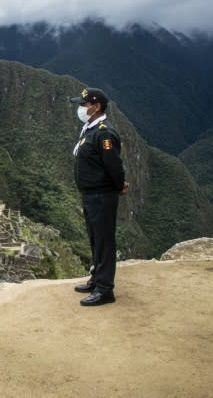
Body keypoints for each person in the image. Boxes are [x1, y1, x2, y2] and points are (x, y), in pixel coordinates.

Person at [70, 87, 129, 306]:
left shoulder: (104, 133)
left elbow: (114, 165)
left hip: (102, 195)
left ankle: (105, 290)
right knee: (95, 238)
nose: (81, 108)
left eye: (84, 105)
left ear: (96, 107)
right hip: (90, 194)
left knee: (104, 240)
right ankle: (96, 279)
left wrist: (119, 186)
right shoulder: (90, 129)